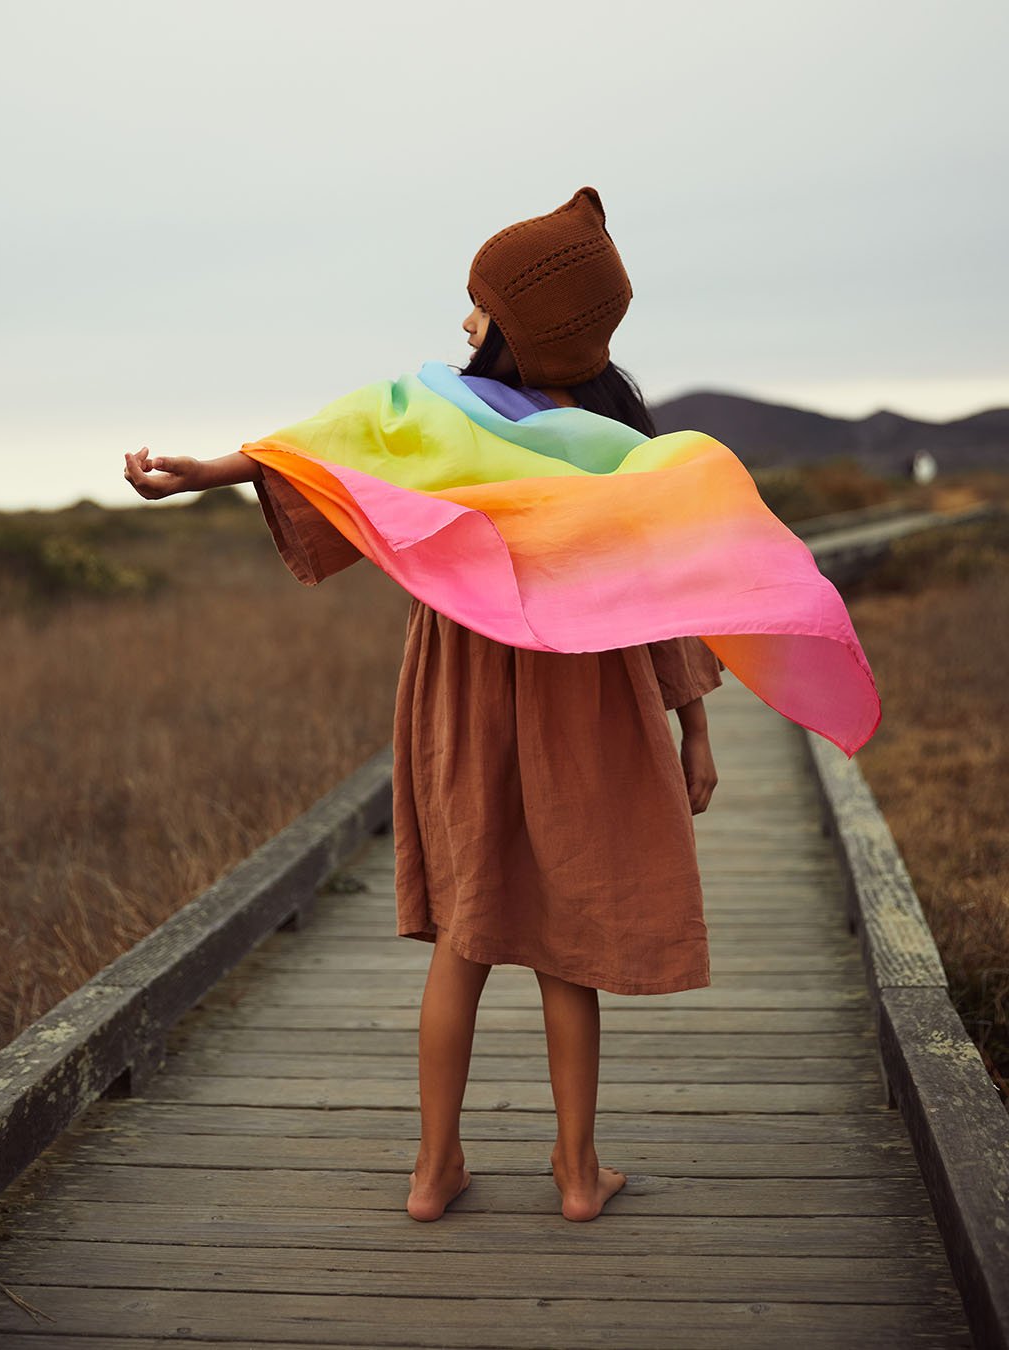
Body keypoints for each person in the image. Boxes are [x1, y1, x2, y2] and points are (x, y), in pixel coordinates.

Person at [124, 186, 866, 1227]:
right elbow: (670, 596)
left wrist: (204, 470)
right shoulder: (619, 449)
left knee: (467, 934)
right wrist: (694, 728)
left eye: (478, 307)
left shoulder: (438, 416)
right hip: (588, 696)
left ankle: (433, 1172)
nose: (464, 324)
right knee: (569, 941)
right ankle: (575, 1173)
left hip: (462, 685)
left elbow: (327, 447)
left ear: (524, 327)